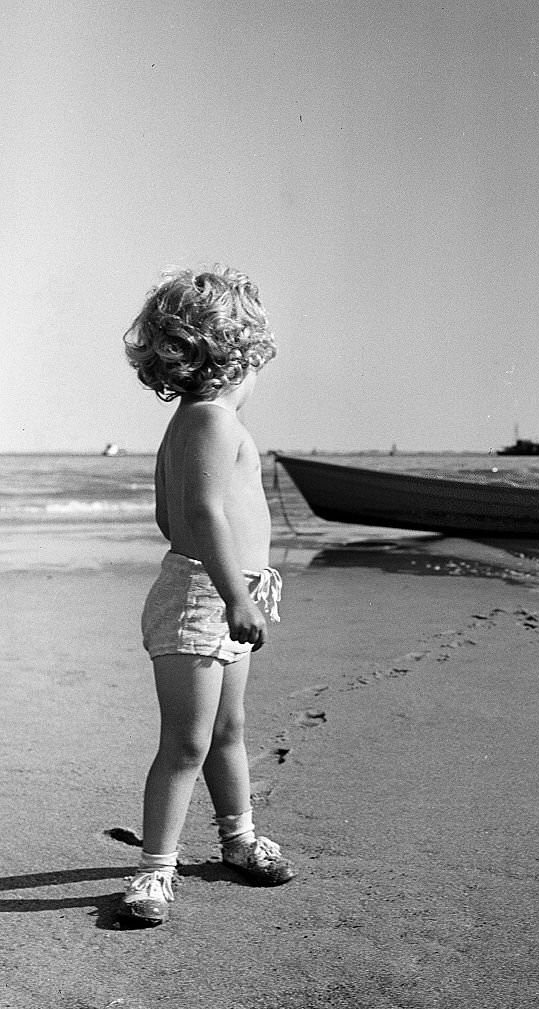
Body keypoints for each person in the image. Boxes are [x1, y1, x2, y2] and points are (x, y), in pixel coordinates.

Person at [119, 266, 294, 927]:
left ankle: (238, 838)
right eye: (256, 367)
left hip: (214, 590)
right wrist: (233, 592)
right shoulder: (216, 424)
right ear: (232, 360)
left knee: (228, 730)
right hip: (205, 596)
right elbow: (202, 511)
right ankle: (154, 870)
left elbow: (168, 515)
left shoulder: (189, 422)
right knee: (187, 743)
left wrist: (238, 588)